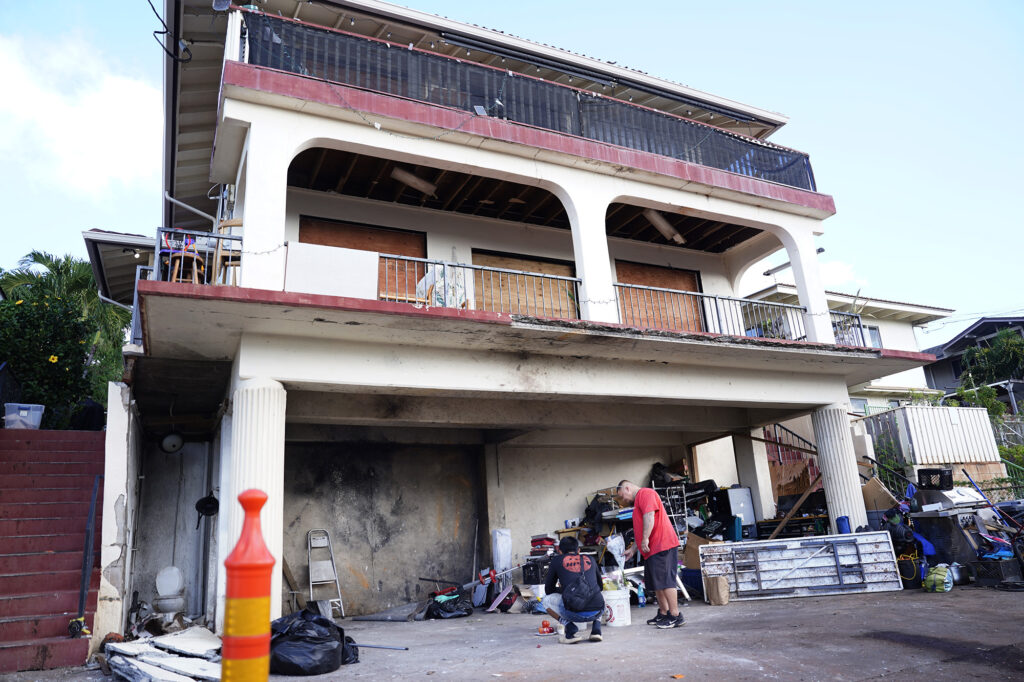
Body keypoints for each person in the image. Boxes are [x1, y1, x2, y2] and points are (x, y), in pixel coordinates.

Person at [616, 479, 684, 629]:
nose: (623, 500)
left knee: (666, 580)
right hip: (651, 549)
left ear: (627, 488)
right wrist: (633, 549)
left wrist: (645, 538)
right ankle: (664, 612)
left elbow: (649, 516)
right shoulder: (638, 502)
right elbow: (640, 529)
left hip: (662, 544)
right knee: (656, 582)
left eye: (622, 496)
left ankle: (675, 615)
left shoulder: (646, 494)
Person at [542, 537, 605, 644]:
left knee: (545, 600)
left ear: (560, 551)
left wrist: (566, 589)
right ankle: (596, 630)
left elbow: (549, 590)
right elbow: (600, 586)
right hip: (597, 611)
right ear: (579, 550)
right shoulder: (590, 559)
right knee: (599, 592)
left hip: (574, 613)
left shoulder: (556, 561)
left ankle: (570, 629)